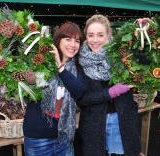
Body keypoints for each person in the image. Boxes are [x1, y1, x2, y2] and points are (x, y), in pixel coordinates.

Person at [53, 15, 141, 156]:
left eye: (100, 35)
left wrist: (144, 31)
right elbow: (82, 98)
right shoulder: (78, 60)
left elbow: (146, 58)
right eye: (90, 35)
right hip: (94, 124)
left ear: (108, 35)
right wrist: (110, 93)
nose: (95, 40)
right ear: (86, 36)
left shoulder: (122, 55)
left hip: (122, 122)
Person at [23, 21, 84, 156]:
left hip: (65, 138)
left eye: (77, 41)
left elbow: (79, 91)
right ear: (58, 40)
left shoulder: (77, 68)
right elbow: (28, 93)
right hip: (38, 138)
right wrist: (31, 80)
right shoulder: (42, 61)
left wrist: (60, 67)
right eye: (68, 39)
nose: (73, 45)